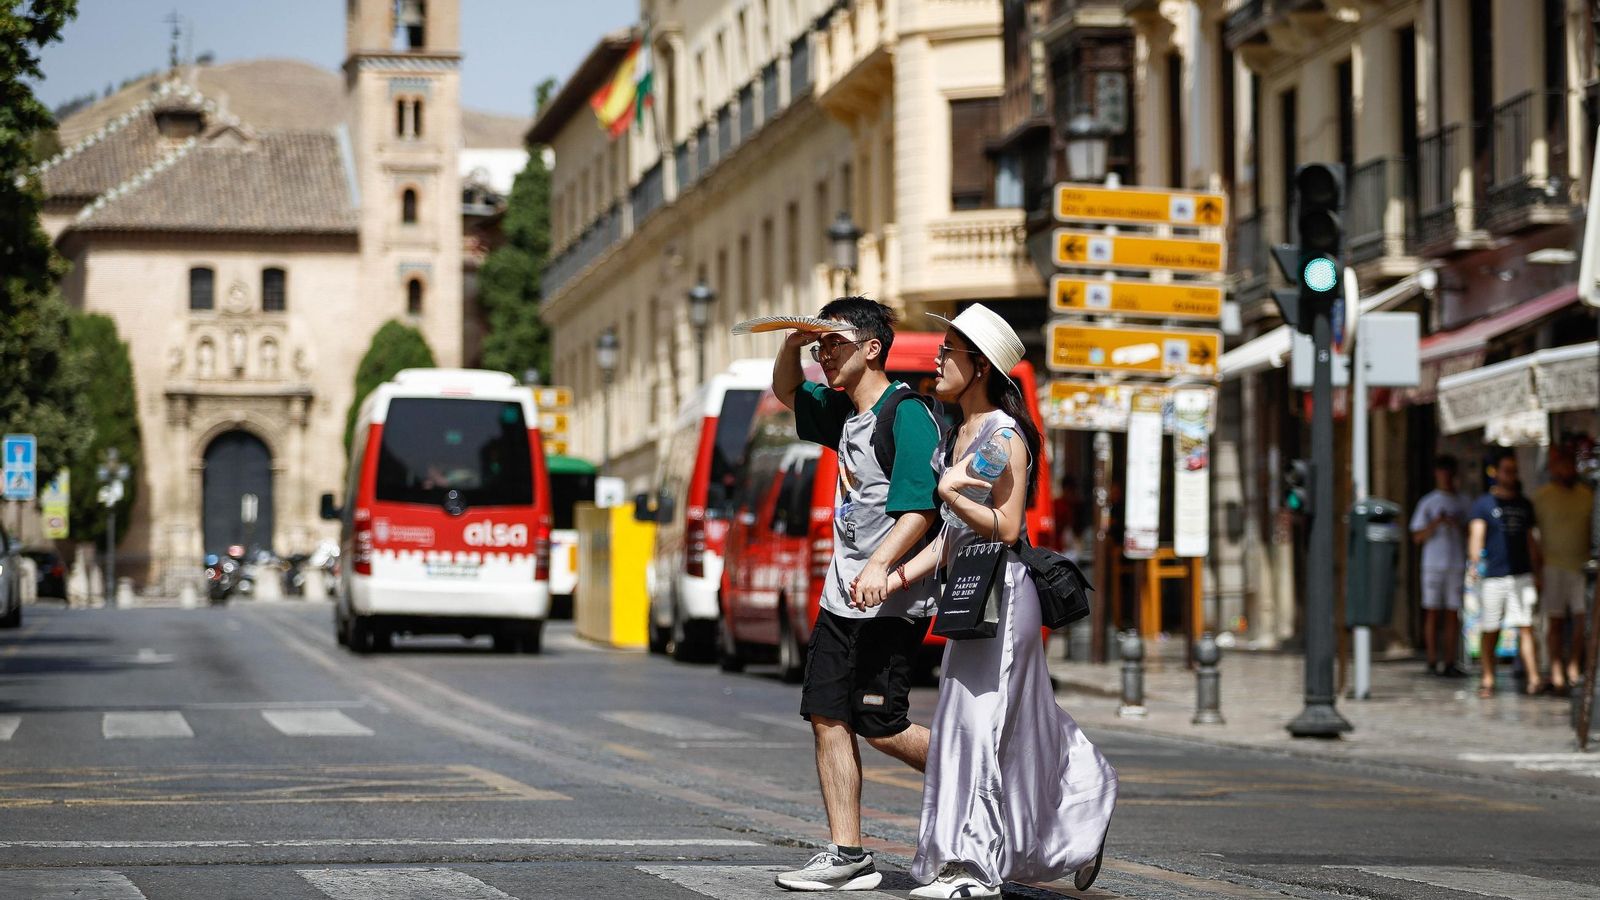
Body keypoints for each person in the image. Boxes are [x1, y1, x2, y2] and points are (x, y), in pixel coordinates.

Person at [857, 305, 1117, 899]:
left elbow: (1004, 525)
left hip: (1004, 595)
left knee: (980, 726)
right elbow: (951, 537)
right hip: (970, 595)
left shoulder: (1000, 433)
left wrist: (950, 490)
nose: (937, 360)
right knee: (982, 726)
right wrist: (893, 579)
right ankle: (1083, 797)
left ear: (979, 366)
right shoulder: (960, 433)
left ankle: (971, 869)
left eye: (949, 351)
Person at [771, 297, 942, 892]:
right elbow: (788, 392)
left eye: (834, 343)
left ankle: (982, 774)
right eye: (821, 345)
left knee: (880, 721)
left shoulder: (907, 413)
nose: (825, 354)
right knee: (826, 715)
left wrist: (880, 566)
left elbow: (921, 508)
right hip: (841, 596)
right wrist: (793, 344)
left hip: (891, 598)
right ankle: (847, 853)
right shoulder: (844, 415)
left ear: (872, 349)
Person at [1466, 450, 1544, 698]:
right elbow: (1476, 536)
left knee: (1525, 626)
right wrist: (1475, 564)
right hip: (1493, 575)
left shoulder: (1524, 505)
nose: (1511, 475)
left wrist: (1537, 569)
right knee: (1491, 628)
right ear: (1497, 473)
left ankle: (1533, 678)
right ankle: (1488, 677)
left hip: (1521, 574)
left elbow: (1531, 540)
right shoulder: (1483, 505)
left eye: (1514, 470)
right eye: (1507, 470)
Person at [1532, 443, 1593, 695]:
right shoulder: (1541, 496)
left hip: (1581, 566)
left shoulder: (1587, 495)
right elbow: (1532, 536)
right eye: (1560, 465)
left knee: (1582, 620)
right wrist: (1537, 570)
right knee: (1554, 622)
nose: (1565, 469)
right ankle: (1556, 669)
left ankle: (1573, 666)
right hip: (1552, 567)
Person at [1409, 455, 1471, 677]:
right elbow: (1416, 536)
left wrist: (1456, 524)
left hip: (1455, 563)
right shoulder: (1428, 503)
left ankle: (1450, 659)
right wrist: (1435, 524)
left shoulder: (1464, 502)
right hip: (1432, 564)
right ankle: (1432, 659)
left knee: (1453, 612)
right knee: (1433, 611)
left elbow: (1471, 532)